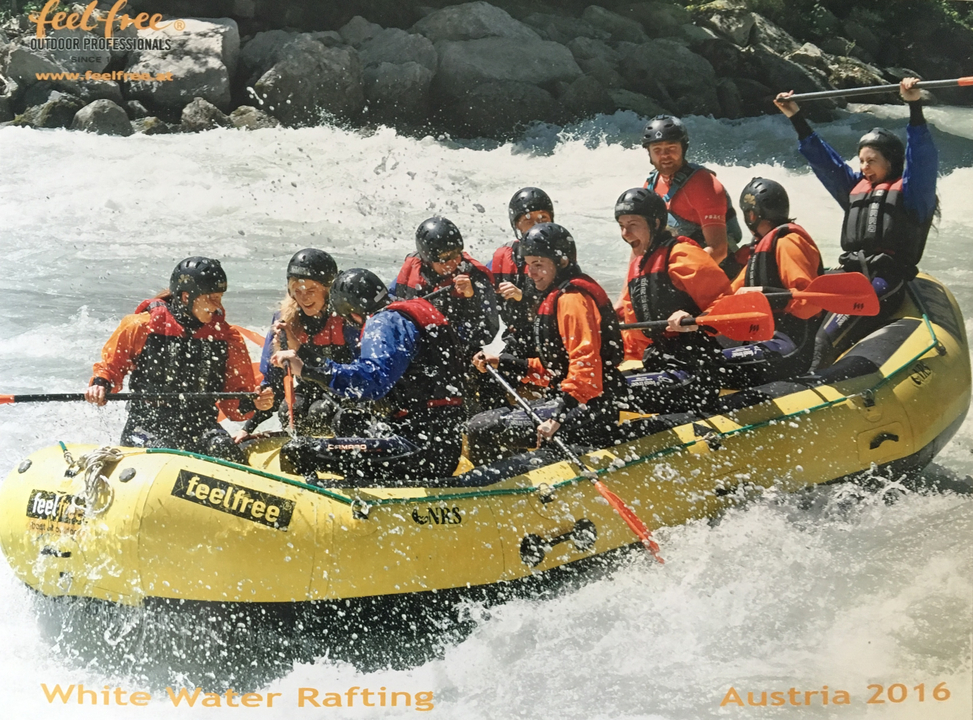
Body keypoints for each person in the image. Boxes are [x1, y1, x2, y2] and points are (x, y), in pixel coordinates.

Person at [774, 77, 938, 369]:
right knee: (802, 321)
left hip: (884, 281)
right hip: (852, 276)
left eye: (871, 161)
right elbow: (826, 163)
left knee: (824, 340)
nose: (864, 168)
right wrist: (795, 116)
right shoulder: (855, 188)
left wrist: (914, 105)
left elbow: (923, 158)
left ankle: (812, 387)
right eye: (861, 161)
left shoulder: (912, 193)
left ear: (891, 162)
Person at [273, 268, 467, 486]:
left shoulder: (383, 322)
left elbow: (370, 382)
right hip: (440, 441)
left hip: (419, 448)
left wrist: (307, 371)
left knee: (298, 451)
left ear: (353, 312)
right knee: (349, 420)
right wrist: (302, 351)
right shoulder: (405, 313)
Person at [467, 223, 629, 465]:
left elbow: (585, 368)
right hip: (575, 403)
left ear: (562, 263)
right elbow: (554, 370)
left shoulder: (572, 300)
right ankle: (512, 473)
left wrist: (557, 418)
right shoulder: (556, 295)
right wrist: (503, 362)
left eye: (539, 265)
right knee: (482, 421)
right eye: (529, 265)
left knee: (480, 428)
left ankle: (498, 486)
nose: (531, 273)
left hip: (590, 410)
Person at [85, 257, 273, 462]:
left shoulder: (227, 338)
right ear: (186, 297)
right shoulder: (141, 326)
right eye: (211, 298)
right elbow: (111, 367)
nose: (217, 305)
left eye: (219, 298)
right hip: (146, 424)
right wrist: (100, 385)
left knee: (224, 448)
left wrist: (255, 403)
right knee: (165, 451)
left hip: (200, 425)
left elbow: (234, 402)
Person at [614, 188, 731, 412]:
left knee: (608, 392)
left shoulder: (683, 255)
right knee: (598, 386)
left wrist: (696, 319)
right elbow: (637, 337)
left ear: (655, 223)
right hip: (660, 363)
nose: (625, 233)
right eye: (621, 225)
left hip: (693, 369)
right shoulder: (639, 267)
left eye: (633, 224)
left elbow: (726, 308)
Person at [236, 249, 361, 440]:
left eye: (311, 291)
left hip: (346, 393)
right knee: (289, 410)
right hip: (310, 392)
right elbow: (275, 383)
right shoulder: (284, 319)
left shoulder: (348, 318)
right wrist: (248, 427)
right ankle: (304, 448)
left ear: (328, 290)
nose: (304, 298)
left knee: (320, 412)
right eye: (297, 291)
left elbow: (365, 377)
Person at [720, 178, 825, 385]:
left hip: (790, 344)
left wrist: (766, 293)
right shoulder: (760, 250)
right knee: (702, 358)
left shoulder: (788, 243)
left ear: (752, 215)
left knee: (711, 365)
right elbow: (728, 297)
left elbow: (809, 304)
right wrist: (698, 316)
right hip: (765, 338)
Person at [641, 114, 744, 277]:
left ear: (683, 148)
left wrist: (678, 281)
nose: (665, 155)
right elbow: (642, 248)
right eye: (657, 150)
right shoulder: (650, 185)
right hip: (678, 267)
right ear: (649, 153)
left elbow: (718, 250)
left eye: (671, 148)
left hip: (718, 270)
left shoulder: (704, 184)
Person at [393, 216, 499, 361]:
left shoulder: (476, 278)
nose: (452, 262)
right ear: (427, 259)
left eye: (456, 254)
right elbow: (390, 312)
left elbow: (487, 335)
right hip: (419, 355)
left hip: (459, 355)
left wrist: (472, 298)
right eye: (444, 258)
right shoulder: (413, 270)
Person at [491, 187, 555, 358]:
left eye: (543, 218)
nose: (537, 225)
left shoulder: (561, 256)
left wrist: (523, 298)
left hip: (554, 342)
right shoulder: (504, 256)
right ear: (516, 225)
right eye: (528, 219)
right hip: (519, 341)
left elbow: (560, 310)